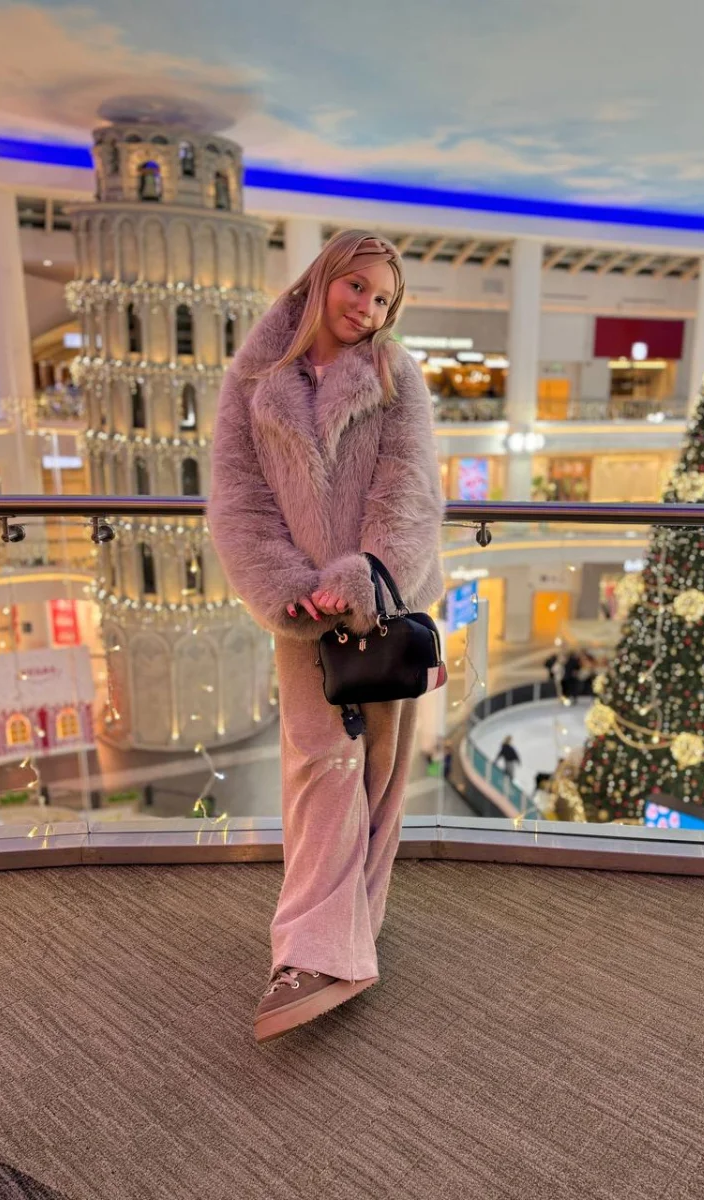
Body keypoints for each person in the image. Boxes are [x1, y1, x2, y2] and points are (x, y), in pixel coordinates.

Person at [208, 231, 444, 1042]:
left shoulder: (394, 374)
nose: (368, 308)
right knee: (320, 769)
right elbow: (238, 498)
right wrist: (286, 588)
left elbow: (410, 489)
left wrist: (363, 580)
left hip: (382, 611)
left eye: (383, 299)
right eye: (357, 287)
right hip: (300, 622)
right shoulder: (254, 380)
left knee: (378, 774)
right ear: (322, 279)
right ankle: (309, 954)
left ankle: (355, 932)